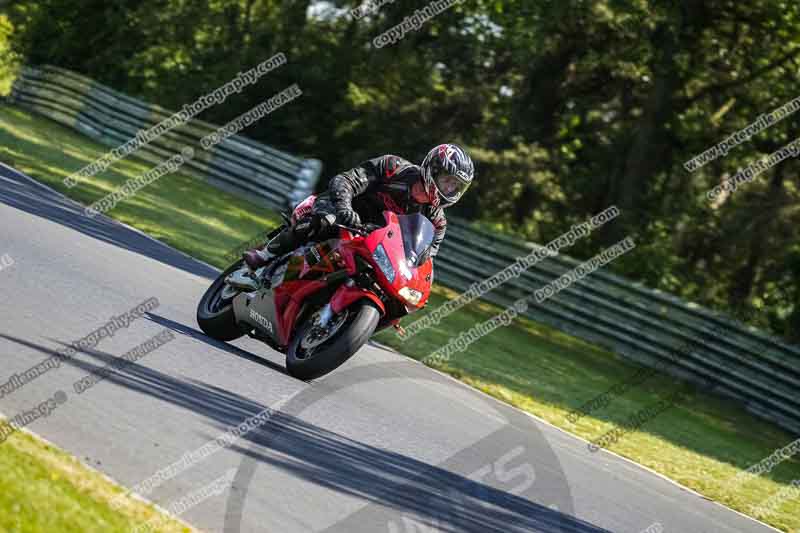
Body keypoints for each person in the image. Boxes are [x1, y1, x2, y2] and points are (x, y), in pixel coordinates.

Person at [243, 143, 475, 271]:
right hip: (342, 209)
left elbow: (426, 253)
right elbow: (346, 181)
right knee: (324, 222)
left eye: (456, 186)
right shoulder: (394, 167)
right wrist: (344, 208)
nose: (450, 189)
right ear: (433, 169)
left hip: (370, 239)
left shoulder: (437, 220)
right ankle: (264, 254)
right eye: (447, 180)